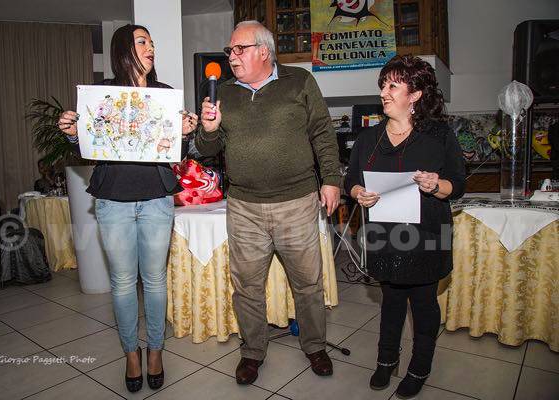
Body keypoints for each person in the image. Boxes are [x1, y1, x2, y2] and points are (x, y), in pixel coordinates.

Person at [196, 20, 341, 385]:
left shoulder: (300, 81)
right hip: (244, 206)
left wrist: (332, 180)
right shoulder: (223, 93)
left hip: (297, 201)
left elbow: (322, 132)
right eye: (229, 50)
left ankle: (315, 345)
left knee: (307, 283)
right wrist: (207, 130)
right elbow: (208, 150)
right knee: (247, 287)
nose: (231, 56)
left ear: (264, 51)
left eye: (238, 49)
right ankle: (252, 352)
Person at [58, 24, 198, 393]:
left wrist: (186, 134)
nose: (151, 47)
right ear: (124, 48)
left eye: (152, 42)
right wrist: (74, 133)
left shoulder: (165, 95)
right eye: (142, 41)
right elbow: (86, 149)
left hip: (156, 197)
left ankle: (155, 350)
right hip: (113, 200)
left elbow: (180, 153)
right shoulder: (102, 93)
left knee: (153, 281)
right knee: (122, 284)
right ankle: (130, 354)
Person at [344, 55, 465, 398]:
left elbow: (458, 182)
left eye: (393, 85)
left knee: (424, 301)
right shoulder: (368, 138)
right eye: (383, 85)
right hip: (384, 231)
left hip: (428, 231)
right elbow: (352, 178)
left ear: (415, 94)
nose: (384, 91)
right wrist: (357, 193)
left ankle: (419, 367)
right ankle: (386, 360)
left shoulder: (438, 135)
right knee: (391, 299)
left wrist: (436, 184)